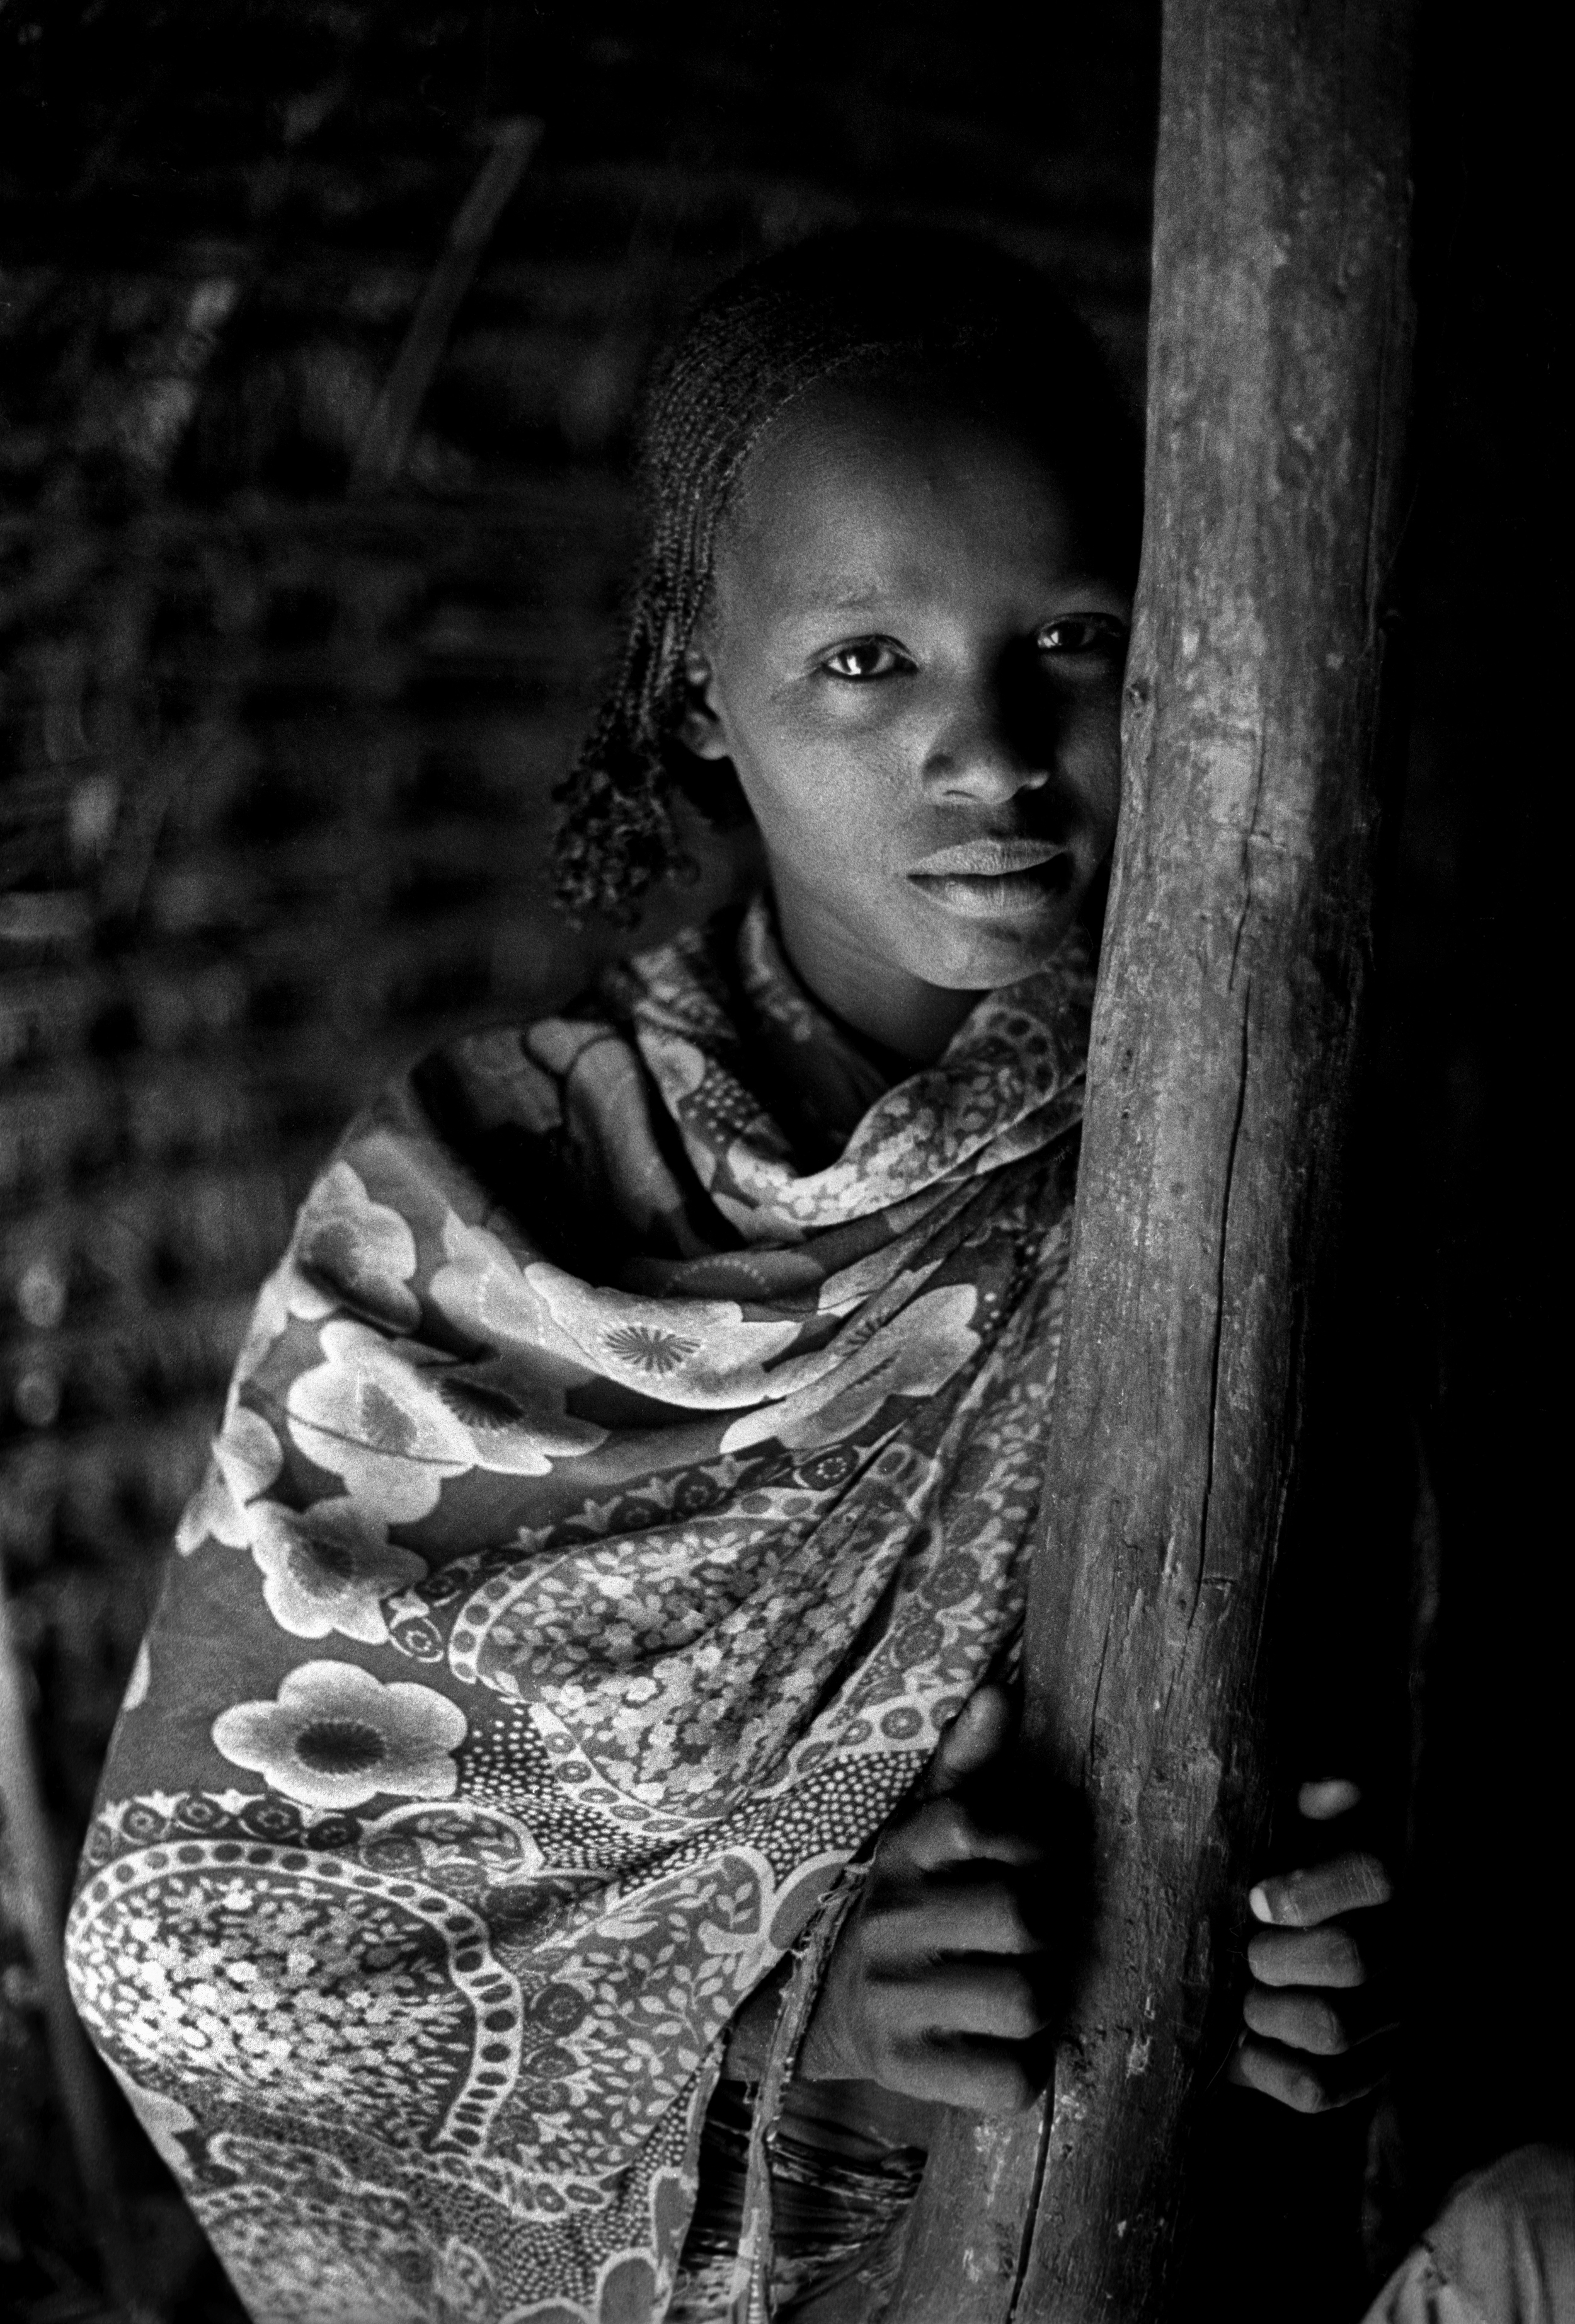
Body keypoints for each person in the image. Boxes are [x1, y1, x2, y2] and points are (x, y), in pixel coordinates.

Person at [66, 230, 1397, 2324]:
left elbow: (1377, 1731)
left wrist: (1341, 1947)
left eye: (1068, 636)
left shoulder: (1269, 1160)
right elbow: (212, 1958)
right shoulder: (480, 1186)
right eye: (866, 658)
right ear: (697, 682)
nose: (990, 750)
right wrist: (799, 2006)